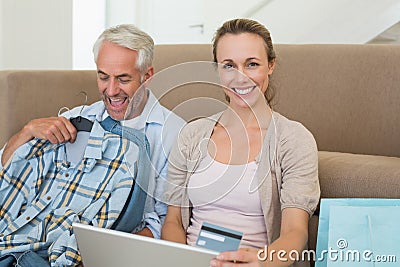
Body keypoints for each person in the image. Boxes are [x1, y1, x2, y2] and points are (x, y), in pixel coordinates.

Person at [0, 24, 184, 266]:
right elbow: (7, 175)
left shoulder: (174, 134)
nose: (111, 90)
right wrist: (27, 131)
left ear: (147, 76)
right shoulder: (80, 118)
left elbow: (165, 222)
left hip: (109, 247)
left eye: (123, 79)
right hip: (40, 236)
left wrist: (97, 253)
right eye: (103, 76)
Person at [161, 18, 320, 267]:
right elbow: (173, 221)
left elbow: (295, 233)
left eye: (252, 64)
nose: (240, 77)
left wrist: (260, 263)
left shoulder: (294, 139)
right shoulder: (192, 135)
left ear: (271, 65)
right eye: (228, 66)